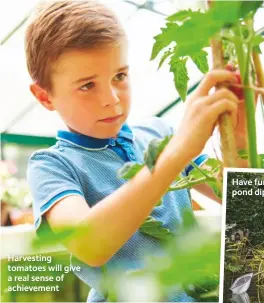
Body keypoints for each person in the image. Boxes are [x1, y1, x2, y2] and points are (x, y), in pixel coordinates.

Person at [25, 0, 247, 301]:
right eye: (88, 86)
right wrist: (175, 153)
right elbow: (89, 245)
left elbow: (244, 204)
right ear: (44, 96)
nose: (112, 99)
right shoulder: (51, 166)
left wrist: (241, 140)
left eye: (120, 76)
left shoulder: (160, 133)